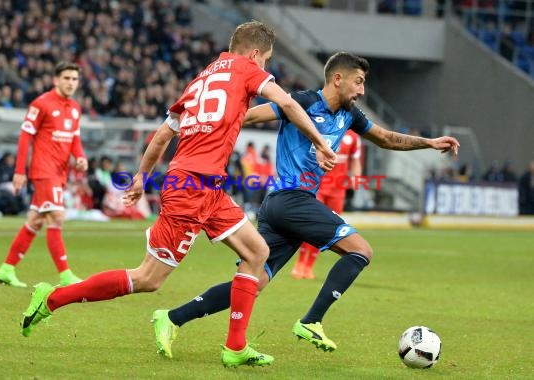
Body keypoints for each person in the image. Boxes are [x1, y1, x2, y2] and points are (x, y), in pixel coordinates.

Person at [19, 21, 336, 368]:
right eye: (266, 61)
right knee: (148, 279)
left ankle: (235, 346)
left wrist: (142, 175)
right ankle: (51, 298)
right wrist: (320, 142)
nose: (265, 69)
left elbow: (161, 136)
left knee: (257, 251)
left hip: (206, 186)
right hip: (190, 188)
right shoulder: (247, 68)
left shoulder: (200, 80)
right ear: (255, 53)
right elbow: (288, 105)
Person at [149, 52, 460, 357]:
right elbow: (246, 116)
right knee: (360, 250)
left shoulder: (350, 115)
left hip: (284, 206)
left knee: (249, 284)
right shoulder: (303, 102)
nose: (362, 91)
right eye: (358, 82)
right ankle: (311, 321)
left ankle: (172, 318)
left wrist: (429, 143)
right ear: (338, 79)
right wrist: (205, 129)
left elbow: (386, 138)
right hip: (289, 199)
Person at [0, 62, 88, 288]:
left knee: (35, 221)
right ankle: (65, 274)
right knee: (56, 217)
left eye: (74, 79)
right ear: (56, 80)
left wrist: (81, 156)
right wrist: (19, 171)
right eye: (66, 78)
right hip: (44, 170)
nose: (70, 83)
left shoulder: (75, 107)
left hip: (60, 172)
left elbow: (74, 138)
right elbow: (25, 137)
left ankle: (6, 269)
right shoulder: (41, 103)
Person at [291, 129, 362, 280]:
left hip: (338, 191)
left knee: (327, 229)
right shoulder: (326, 129)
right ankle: (299, 264)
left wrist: (356, 180)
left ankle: (309, 266)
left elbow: (355, 159)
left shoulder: (353, 137)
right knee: (311, 225)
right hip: (318, 187)